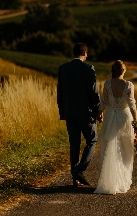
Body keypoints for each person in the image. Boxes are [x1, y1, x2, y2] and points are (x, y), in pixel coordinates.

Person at [57, 43, 103, 187]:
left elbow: (60, 93)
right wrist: (98, 110)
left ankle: (75, 179)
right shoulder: (89, 69)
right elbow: (94, 92)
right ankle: (79, 170)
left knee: (74, 144)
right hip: (86, 113)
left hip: (69, 112)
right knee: (92, 139)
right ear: (85, 53)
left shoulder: (63, 69)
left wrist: (63, 109)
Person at [94, 60, 137, 195]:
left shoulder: (107, 83)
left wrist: (99, 112)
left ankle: (109, 181)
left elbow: (104, 102)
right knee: (125, 150)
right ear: (123, 71)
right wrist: (136, 123)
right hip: (124, 118)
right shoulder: (129, 85)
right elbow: (132, 105)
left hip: (111, 116)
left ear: (113, 71)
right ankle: (121, 182)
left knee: (109, 147)